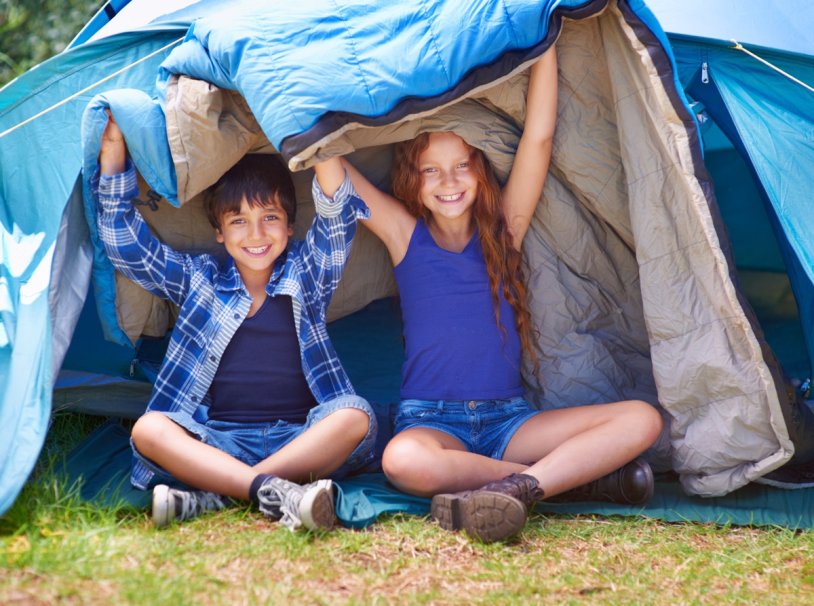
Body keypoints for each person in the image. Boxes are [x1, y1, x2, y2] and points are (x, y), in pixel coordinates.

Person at [312, 47, 664, 542]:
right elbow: (332, 172)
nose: (449, 182)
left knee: (641, 419)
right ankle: (560, 483)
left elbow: (538, 140)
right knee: (402, 461)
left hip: (509, 422)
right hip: (432, 421)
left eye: (461, 166)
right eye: (431, 170)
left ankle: (522, 486)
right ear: (412, 180)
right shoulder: (403, 234)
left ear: (480, 171)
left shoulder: (505, 232)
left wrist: (545, 44)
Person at [94, 113, 376, 531]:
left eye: (270, 218)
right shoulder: (198, 279)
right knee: (150, 428)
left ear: (290, 226)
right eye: (239, 221)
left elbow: (337, 219)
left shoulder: (306, 274)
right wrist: (114, 147)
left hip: (298, 437)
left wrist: (316, 126)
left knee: (356, 416)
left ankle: (219, 495)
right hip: (215, 440)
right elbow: (125, 244)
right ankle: (271, 490)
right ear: (220, 232)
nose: (256, 234)